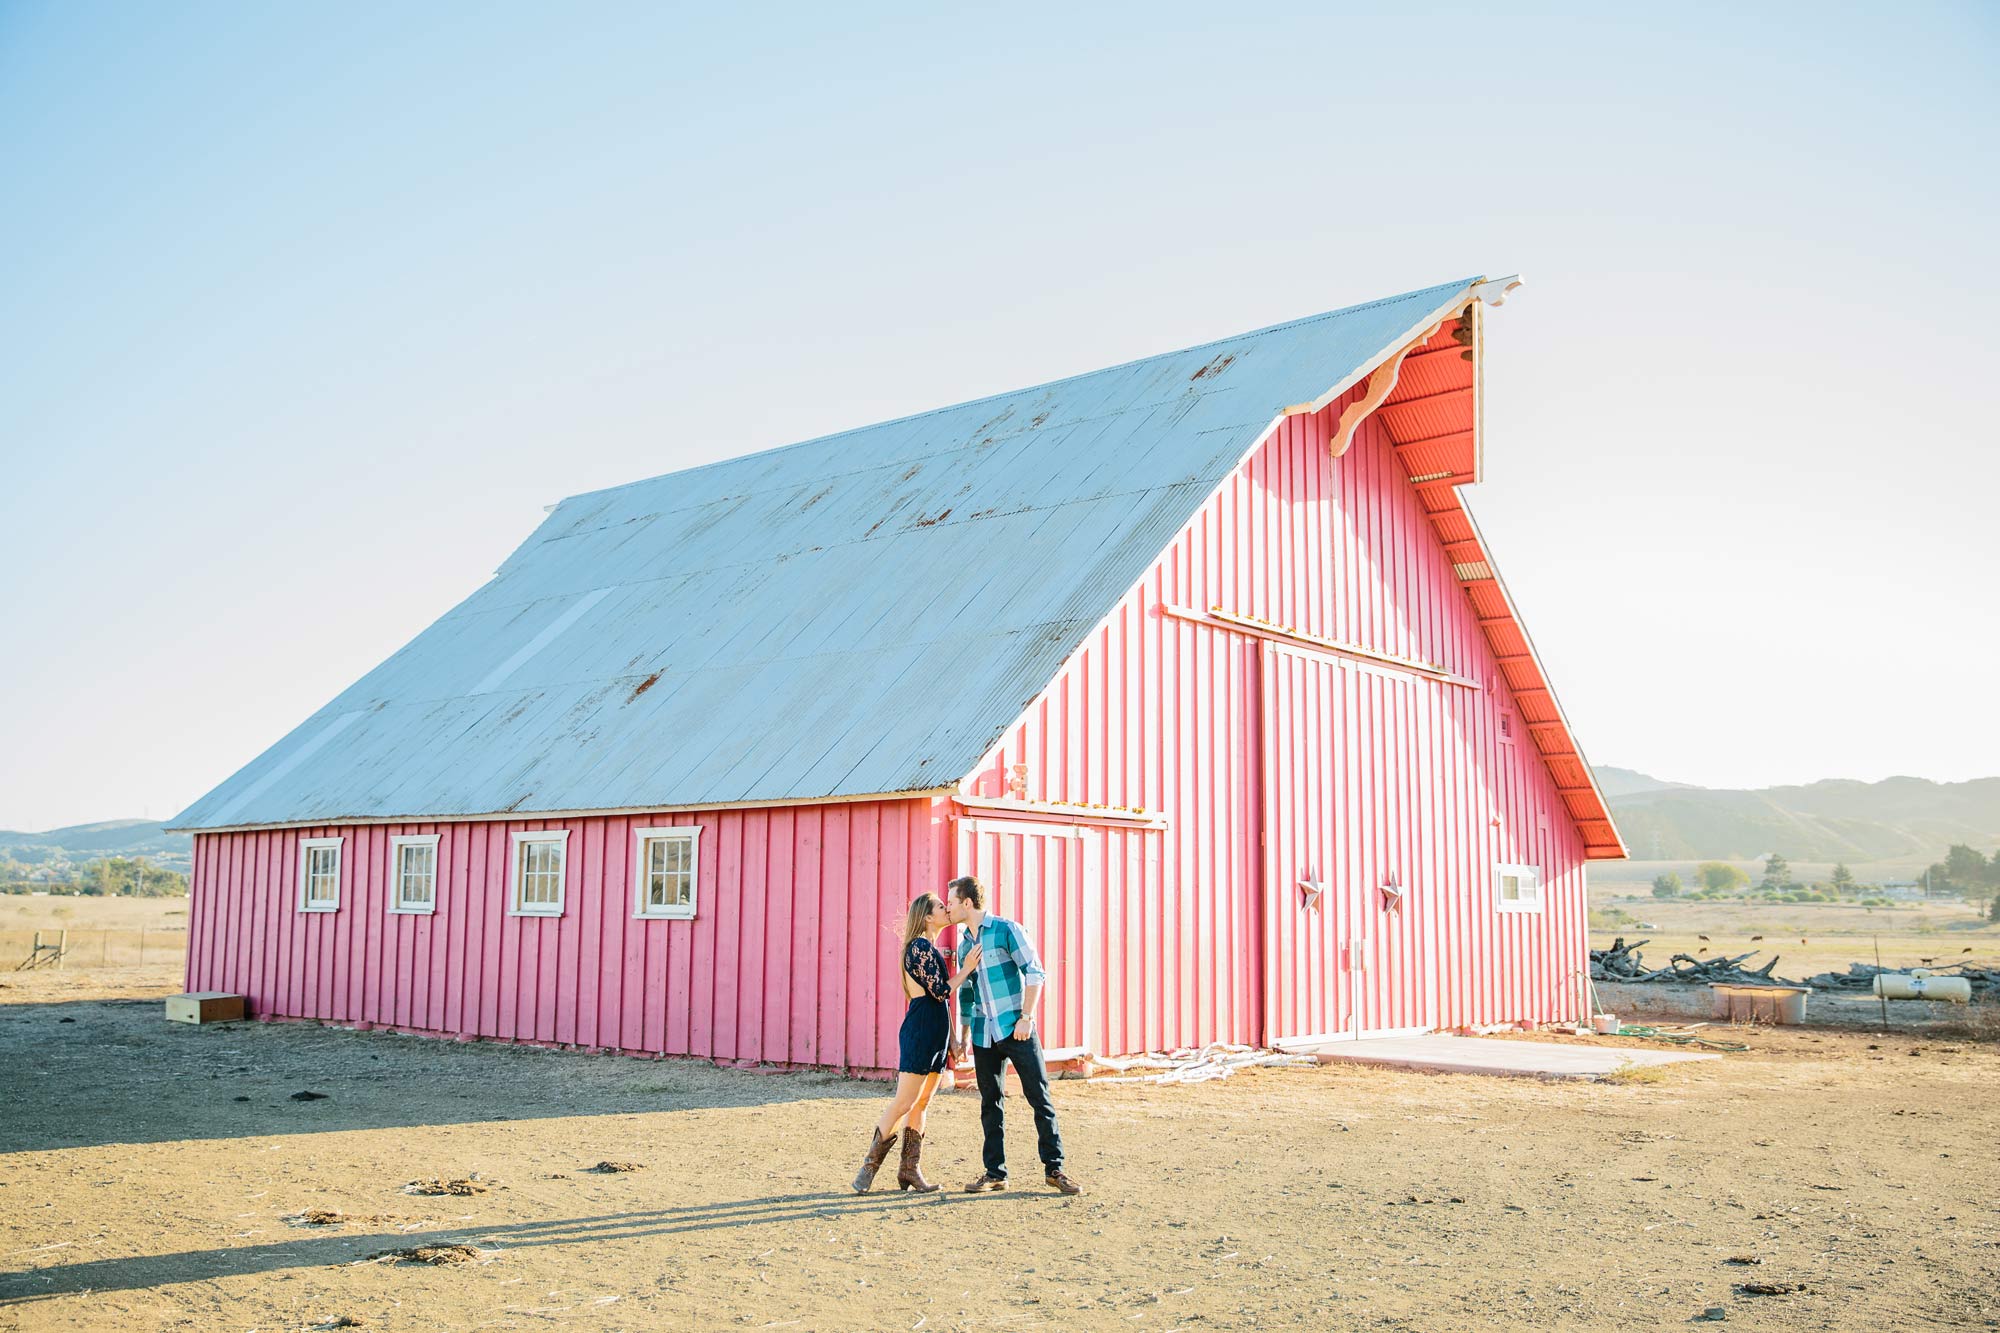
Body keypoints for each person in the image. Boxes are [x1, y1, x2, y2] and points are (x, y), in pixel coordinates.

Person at [947, 875, 1082, 1195]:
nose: (947, 907)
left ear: (967, 902)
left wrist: (1026, 1017)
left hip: (1016, 1029)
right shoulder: (965, 945)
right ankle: (995, 1173)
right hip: (984, 1033)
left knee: (1039, 1097)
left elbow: (1035, 972)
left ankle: (1055, 1169)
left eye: (951, 902)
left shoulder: (1007, 930)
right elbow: (967, 993)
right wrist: (964, 1035)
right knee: (990, 1104)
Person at [851, 892, 981, 1193]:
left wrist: (952, 1039)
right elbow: (941, 991)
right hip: (921, 1030)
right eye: (941, 906)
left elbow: (941, 1001)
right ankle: (867, 1169)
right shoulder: (918, 947)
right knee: (904, 1102)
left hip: (936, 1030)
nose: (946, 909)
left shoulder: (930, 948)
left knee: (922, 1103)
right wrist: (966, 969)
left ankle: (909, 1170)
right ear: (927, 916)